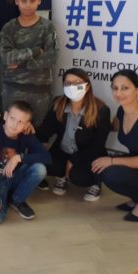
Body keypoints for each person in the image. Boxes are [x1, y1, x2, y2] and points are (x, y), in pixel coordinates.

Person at [36, 68, 111, 200]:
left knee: (78, 177)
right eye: (68, 83)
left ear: (87, 86)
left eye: (77, 82)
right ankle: (62, 176)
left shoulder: (101, 110)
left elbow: (97, 145)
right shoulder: (58, 103)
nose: (72, 86)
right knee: (46, 165)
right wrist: (28, 129)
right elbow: (45, 131)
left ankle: (95, 183)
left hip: (88, 154)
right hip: (63, 150)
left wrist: (73, 160)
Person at [0, 101, 51, 223]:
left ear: (27, 125)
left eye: (20, 122)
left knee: (40, 169)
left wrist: (18, 158)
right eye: (12, 118)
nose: (15, 124)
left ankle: (16, 199)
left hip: (14, 176)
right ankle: (4, 196)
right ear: (5, 116)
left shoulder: (25, 134)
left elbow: (47, 157)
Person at [0, 0, 59, 127]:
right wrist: (35, 51)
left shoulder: (47, 27)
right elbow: (6, 58)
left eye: (32, 0)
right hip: (12, 90)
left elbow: (52, 57)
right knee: (12, 132)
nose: (28, 5)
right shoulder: (9, 28)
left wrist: (20, 64)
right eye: (23, 0)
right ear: (16, 0)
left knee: (37, 133)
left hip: (40, 92)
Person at [92, 70, 138, 222]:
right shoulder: (122, 110)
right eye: (115, 88)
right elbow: (112, 127)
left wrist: (112, 160)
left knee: (111, 172)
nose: (118, 93)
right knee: (99, 168)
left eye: (125, 88)